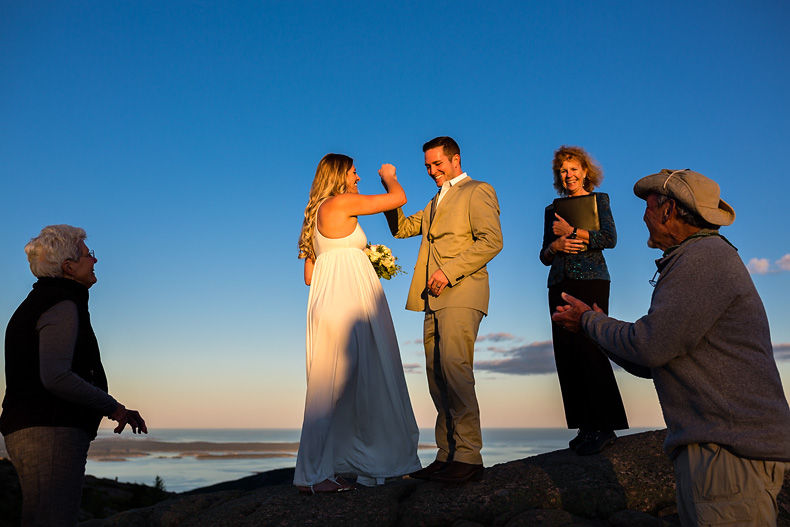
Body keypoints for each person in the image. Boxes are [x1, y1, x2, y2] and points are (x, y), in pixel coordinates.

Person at [552, 169, 790, 526]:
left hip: (727, 456)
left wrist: (589, 321)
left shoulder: (702, 259)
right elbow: (655, 361)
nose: (644, 217)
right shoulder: (698, 258)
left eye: (648, 207)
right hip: (720, 453)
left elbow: (650, 346)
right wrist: (596, 328)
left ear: (669, 211)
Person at [0, 225, 147, 527]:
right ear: (68, 267)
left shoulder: (40, 304)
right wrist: (113, 407)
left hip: (34, 427)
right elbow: (56, 376)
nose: (94, 261)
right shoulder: (62, 305)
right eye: (87, 254)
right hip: (51, 429)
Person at [294, 154, 421, 494]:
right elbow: (398, 200)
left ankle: (322, 470)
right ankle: (317, 476)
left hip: (327, 301)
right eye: (353, 171)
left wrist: (352, 257)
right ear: (339, 175)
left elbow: (309, 276)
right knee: (349, 385)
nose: (359, 177)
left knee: (330, 386)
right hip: (347, 305)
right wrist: (389, 175)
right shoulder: (341, 202)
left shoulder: (315, 214)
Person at [385, 136, 503, 483]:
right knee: (437, 376)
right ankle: (446, 453)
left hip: (462, 292)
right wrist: (391, 191)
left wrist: (449, 272)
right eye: (427, 167)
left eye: (437, 164)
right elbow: (403, 228)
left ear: (455, 159)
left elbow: (491, 240)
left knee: (455, 370)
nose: (432, 171)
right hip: (431, 299)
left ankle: (468, 456)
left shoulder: (478, 190)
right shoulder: (434, 202)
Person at [539, 145, 628, 455]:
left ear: (586, 171)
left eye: (574, 169)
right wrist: (557, 244)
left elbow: (609, 239)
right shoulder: (552, 209)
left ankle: (605, 426)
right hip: (559, 281)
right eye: (563, 170)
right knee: (566, 352)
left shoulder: (599, 201)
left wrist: (574, 231)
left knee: (590, 348)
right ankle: (584, 426)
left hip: (591, 281)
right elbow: (544, 254)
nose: (569, 175)